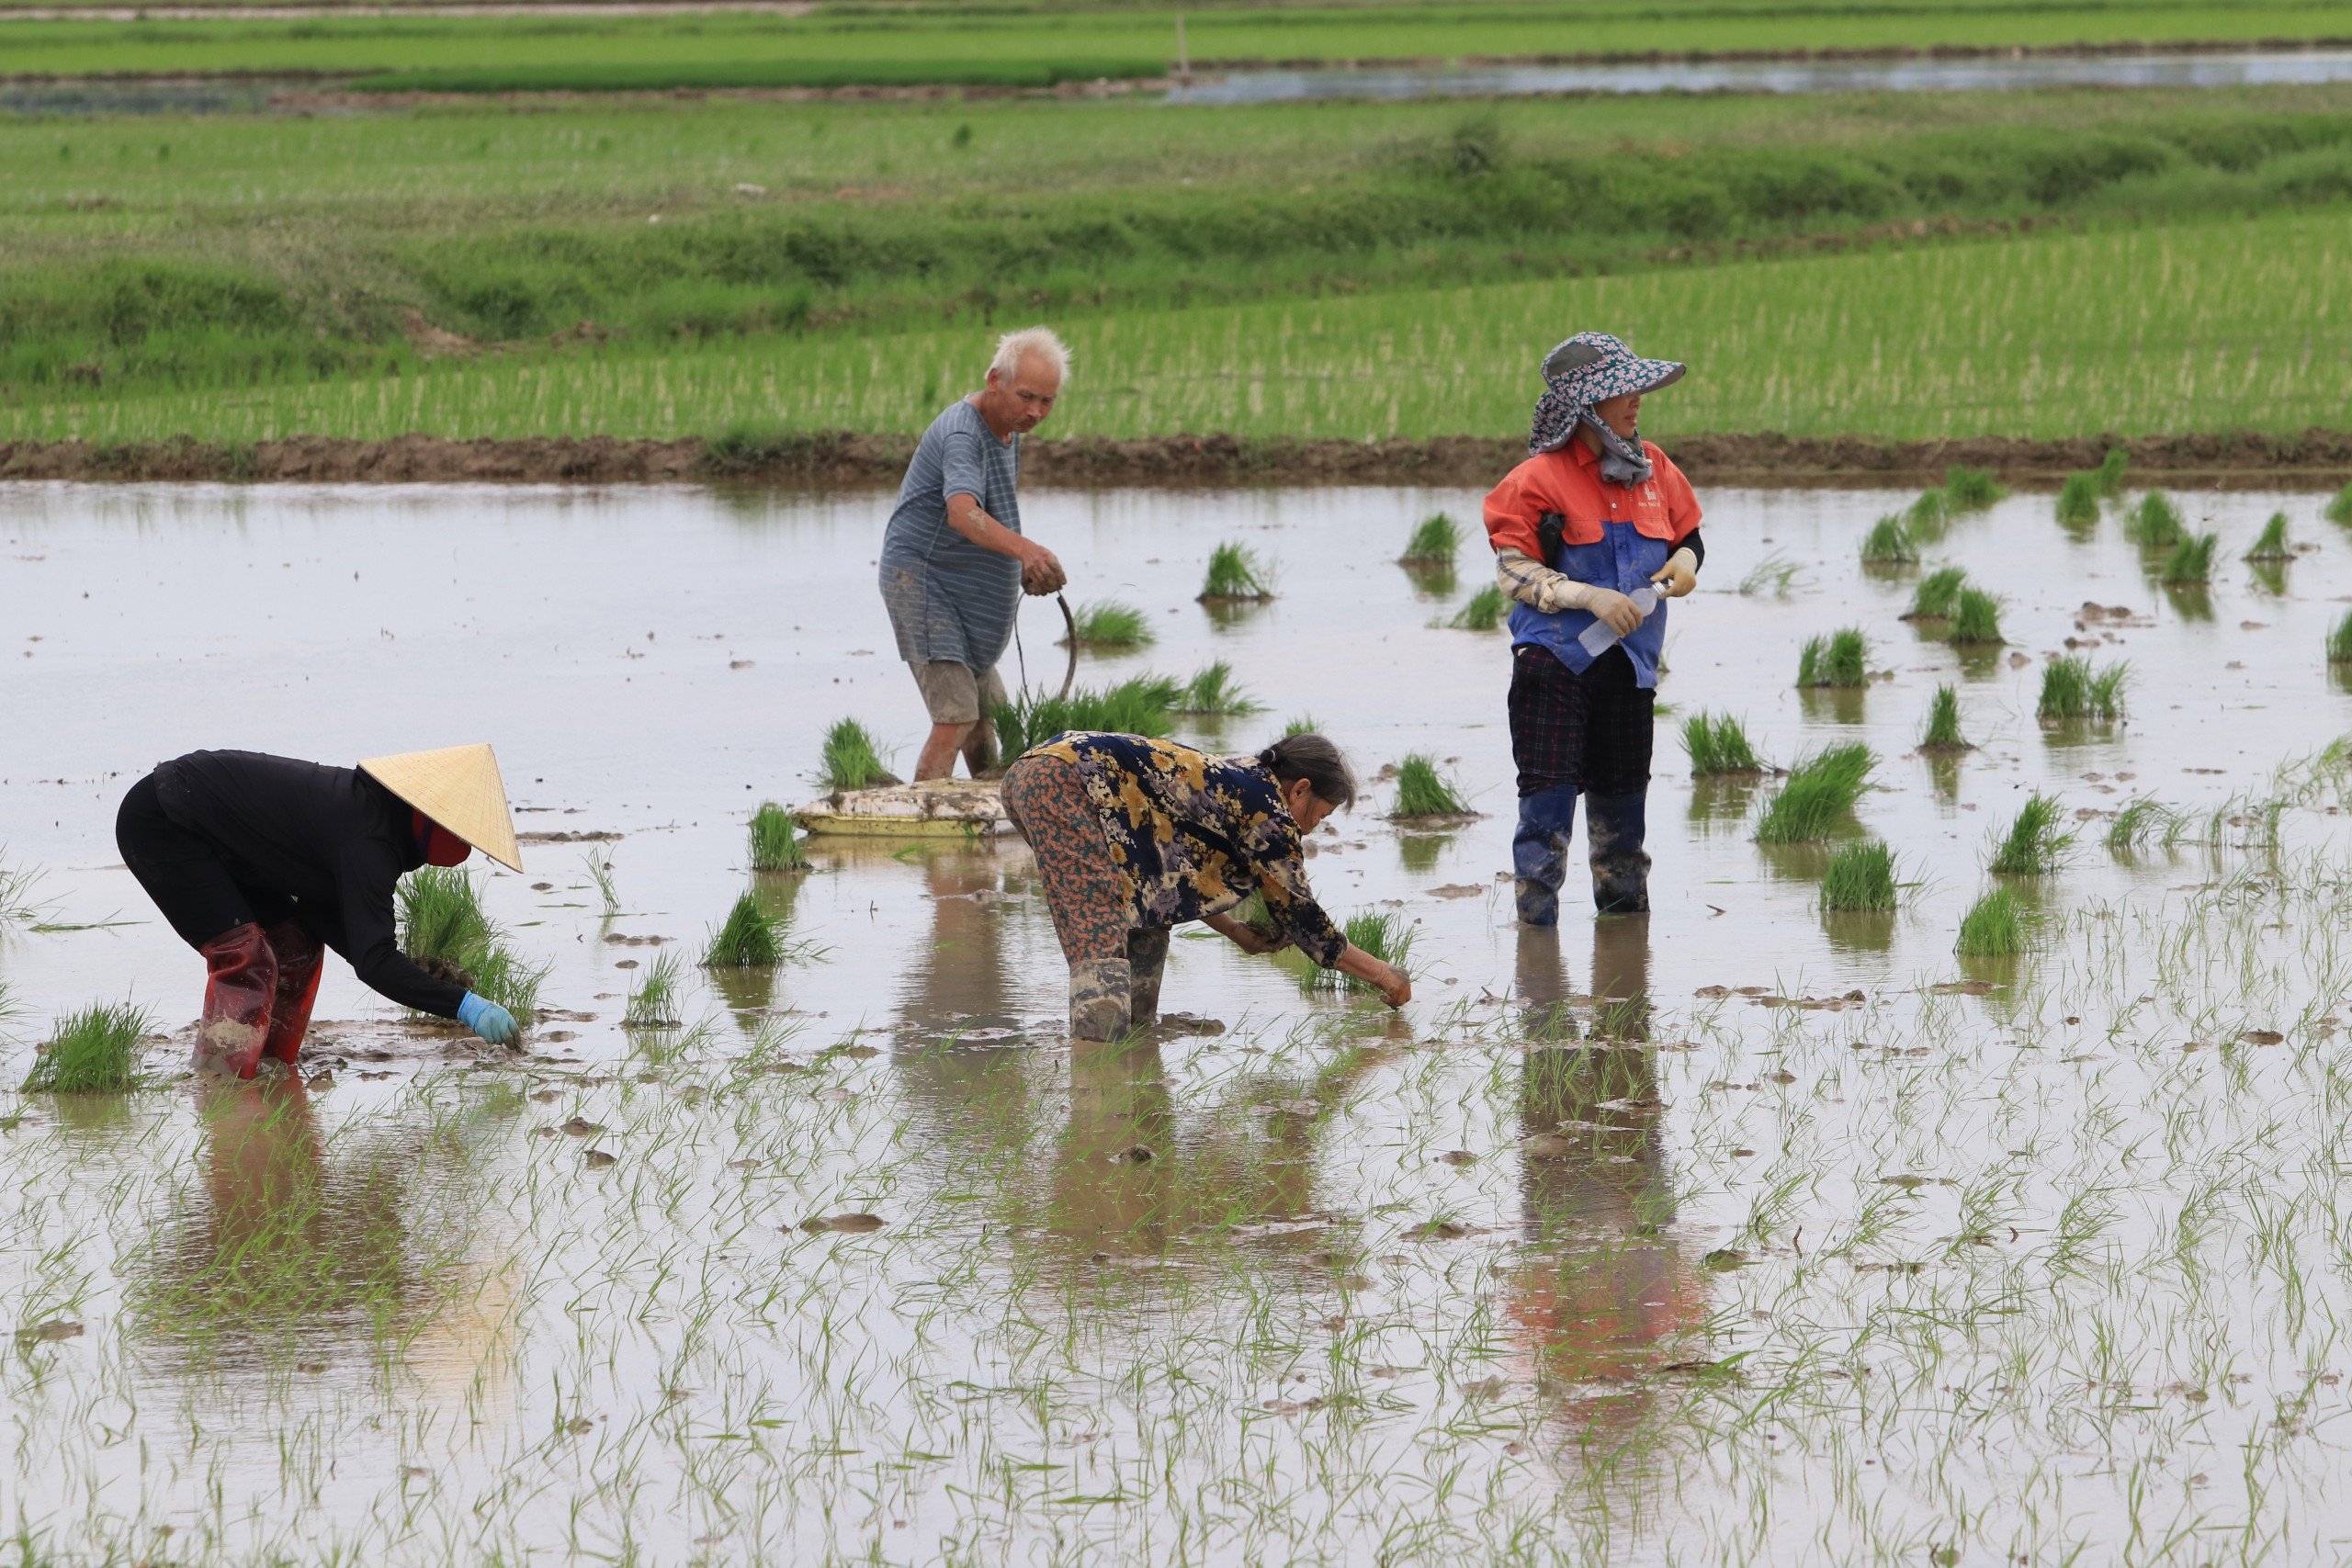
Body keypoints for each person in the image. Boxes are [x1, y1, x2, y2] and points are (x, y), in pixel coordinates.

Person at [114, 743, 527, 1078]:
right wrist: (465, 1006)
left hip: (223, 843)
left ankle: (267, 1066)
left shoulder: (378, 821)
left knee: (296, 947)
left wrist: (410, 972)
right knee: (246, 959)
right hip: (164, 820)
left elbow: (332, 921)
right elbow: (374, 963)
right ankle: (221, 1079)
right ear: (431, 815)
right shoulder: (368, 838)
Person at [1482, 332, 1706, 926]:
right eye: (1622, 391)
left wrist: (1685, 563)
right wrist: (1590, 596)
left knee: (1623, 820)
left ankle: (1626, 965)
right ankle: (1537, 953)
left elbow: (1688, 536)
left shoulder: (1655, 467)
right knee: (1546, 814)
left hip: (1630, 665)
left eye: (1638, 388)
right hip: (1555, 663)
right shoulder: (1536, 479)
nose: (1637, 400)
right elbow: (1513, 569)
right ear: (1585, 405)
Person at [999, 730, 1411, 1040]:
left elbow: (1176, 879)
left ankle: (1134, 1039)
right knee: (1097, 920)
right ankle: (1097, 1069)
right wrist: (1385, 975)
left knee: (1147, 902)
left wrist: (1234, 930)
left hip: (1035, 772)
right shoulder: (1269, 813)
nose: (1312, 829)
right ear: (1301, 789)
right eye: (1319, 816)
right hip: (1059, 781)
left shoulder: (1242, 781)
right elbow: (1306, 922)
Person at [878, 327, 1072, 784]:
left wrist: (1021, 562)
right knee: (955, 717)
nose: (1035, 412)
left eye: (1047, 402)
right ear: (994, 380)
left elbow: (991, 511)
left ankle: (988, 803)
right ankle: (927, 813)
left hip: (961, 587)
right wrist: (1026, 550)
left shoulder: (1006, 428)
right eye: (1026, 396)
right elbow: (963, 514)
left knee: (987, 714)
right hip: (924, 582)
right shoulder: (964, 433)